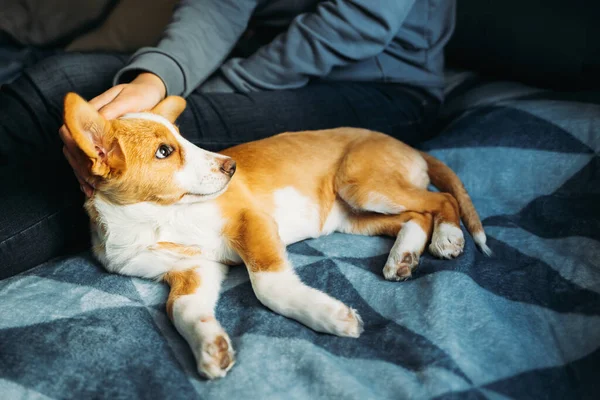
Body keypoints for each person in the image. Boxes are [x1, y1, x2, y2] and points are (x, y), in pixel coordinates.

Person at [0, 0, 456, 279]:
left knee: (114, 181)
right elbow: (221, 5)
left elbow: (358, 21)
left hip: (378, 85)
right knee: (55, 77)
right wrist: (156, 78)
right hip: (254, 59)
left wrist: (221, 84)